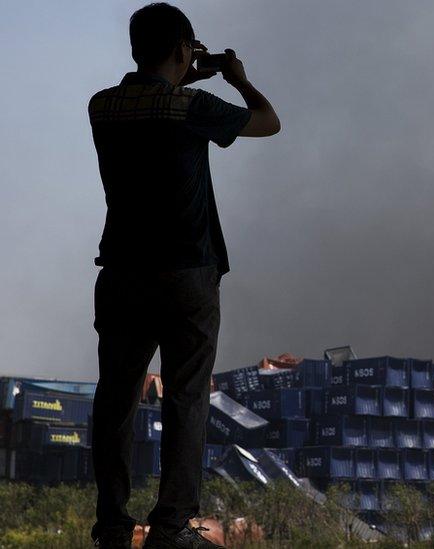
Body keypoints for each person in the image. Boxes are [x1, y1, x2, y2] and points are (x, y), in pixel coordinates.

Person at [87, 3, 279, 548]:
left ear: (134, 49)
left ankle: (112, 526)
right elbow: (269, 122)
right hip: (187, 278)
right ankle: (171, 527)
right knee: (186, 399)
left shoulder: (103, 106)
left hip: (122, 273)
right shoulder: (193, 107)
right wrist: (238, 79)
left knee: (117, 399)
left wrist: (179, 68)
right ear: (183, 48)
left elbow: (150, 95)